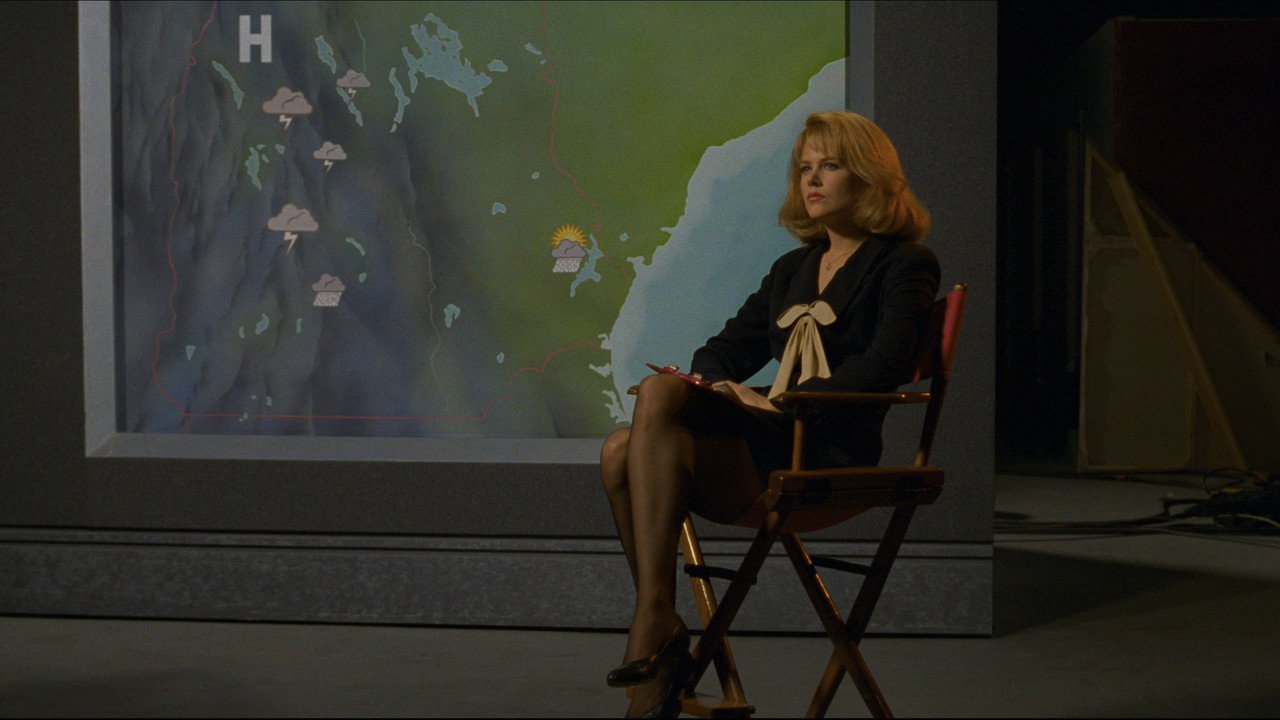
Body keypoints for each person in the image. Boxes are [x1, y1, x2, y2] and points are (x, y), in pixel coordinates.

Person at [599, 111, 940, 718]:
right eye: (804, 168)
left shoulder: (904, 263)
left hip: (826, 449)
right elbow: (722, 349)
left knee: (652, 408)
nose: (812, 180)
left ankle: (656, 625)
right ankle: (657, 614)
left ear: (868, 177)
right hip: (772, 442)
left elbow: (884, 364)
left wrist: (779, 402)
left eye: (830, 166)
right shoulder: (792, 270)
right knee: (623, 443)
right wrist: (728, 388)